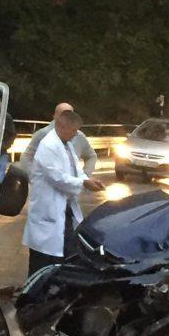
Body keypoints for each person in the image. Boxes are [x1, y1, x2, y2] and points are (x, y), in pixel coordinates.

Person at [22, 110, 104, 275]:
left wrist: (86, 179)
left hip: (63, 212)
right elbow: (57, 178)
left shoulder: (66, 145)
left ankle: (55, 294)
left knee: (64, 257)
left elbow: (75, 169)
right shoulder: (49, 146)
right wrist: (83, 182)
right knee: (41, 263)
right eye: (73, 130)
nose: (76, 135)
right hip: (47, 214)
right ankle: (34, 297)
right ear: (62, 126)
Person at [19, 102, 97, 176]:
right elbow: (26, 157)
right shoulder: (43, 134)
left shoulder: (79, 136)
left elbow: (91, 156)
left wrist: (85, 175)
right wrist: (33, 176)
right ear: (55, 116)